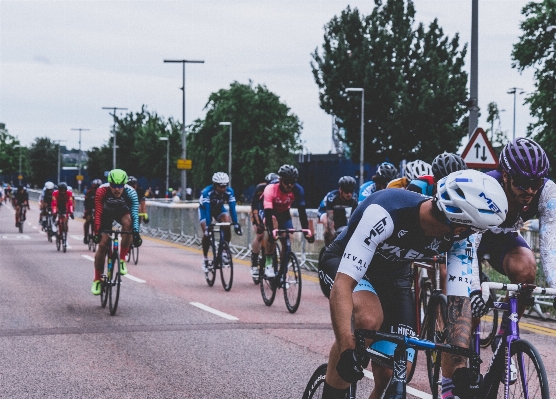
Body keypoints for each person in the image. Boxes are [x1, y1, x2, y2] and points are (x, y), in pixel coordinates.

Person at [318, 169, 508, 399]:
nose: (475, 234)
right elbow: (343, 284)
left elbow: (459, 304)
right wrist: (348, 349)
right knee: (369, 317)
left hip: (395, 278)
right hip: (343, 265)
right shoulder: (385, 211)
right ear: (459, 226)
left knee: (395, 371)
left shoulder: (460, 239)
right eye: (477, 228)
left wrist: (459, 366)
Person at [90, 169, 142, 295]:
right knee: (102, 245)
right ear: (109, 184)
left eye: (120, 186)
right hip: (105, 216)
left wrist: (135, 233)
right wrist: (97, 232)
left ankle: (122, 258)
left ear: (124, 185)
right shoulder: (102, 191)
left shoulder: (131, 192)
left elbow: (135, 214)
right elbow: (98, 213)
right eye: (113, 186)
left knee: (128, 224)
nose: (117, 189)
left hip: (121, 215)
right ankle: (97, 279)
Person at [262, 164, 314, 278]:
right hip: (269, 212)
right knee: (273, 230)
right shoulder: (270, 189)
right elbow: (269, 213)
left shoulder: (298, 190)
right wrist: (271, 231)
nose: (289, 185)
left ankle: (282, 272)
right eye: (286, 182)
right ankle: (268, 264)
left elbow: (302, 211)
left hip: (284, 213)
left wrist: (306, 231)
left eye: (292, 182)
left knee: (287, 240)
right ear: (280, 180)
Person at [199, 172, 243, 273]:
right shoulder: (207, 192)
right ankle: (205, 258)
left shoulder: (229, 191)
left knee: (227, 222)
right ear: (214, 185)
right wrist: (209, 226)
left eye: (225, 185)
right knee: (207, 233)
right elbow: (207, 211)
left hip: (219, 209)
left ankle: (223, 250)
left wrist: (236, 224)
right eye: (221, 186)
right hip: (205, 210)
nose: (223, 188)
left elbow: (232, 209)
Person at [249, 172, 280, 279]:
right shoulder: (260, 188)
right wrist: (259, 224)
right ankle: (254, 263)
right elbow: (255, 207)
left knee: (274, 231)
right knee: (260, 234)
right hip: (259, 209)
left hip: (271, 210)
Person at [318, 176, 358, 247]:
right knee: (329, 226)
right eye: (346, 191)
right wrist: (333, 235)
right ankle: (328, 248)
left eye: (351, 191)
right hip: (324, 210)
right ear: (340, 190)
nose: (349, 194)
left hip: (340, 211)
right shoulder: (332, 197)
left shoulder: (354, 198)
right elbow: (330, 219)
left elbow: (354, 216)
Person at [83, 179, 102, 243]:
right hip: (90, 209)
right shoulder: (89, 192)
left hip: (99, 209)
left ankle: (98, 235)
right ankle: (85, 236)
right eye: (94, 187)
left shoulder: (102, 192)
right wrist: (87, 210)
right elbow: (86, 202)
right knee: (88, 221)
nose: (95, 189)